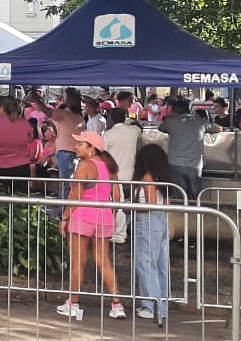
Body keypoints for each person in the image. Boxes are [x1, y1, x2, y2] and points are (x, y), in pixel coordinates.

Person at [57, 130, 125, 321]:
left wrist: (65, 218)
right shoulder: (109, 167)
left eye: (80, 144)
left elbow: (76, 195)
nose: (76, 146)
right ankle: (117, 304)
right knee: (104, 262)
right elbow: (117, 197)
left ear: (92, 148)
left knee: (78, 262)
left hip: (83, 216)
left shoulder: (85, 165)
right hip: (104, 216)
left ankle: (73, 303)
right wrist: (109, 215)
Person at [132, 143, 172, 324]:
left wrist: (130, 206)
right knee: (160, 264)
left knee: (146, 263)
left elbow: (149, 204)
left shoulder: (147, 178)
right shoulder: (162, 178)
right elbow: (166, 204)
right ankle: (162, 304)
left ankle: (150, 305)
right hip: (162, 220)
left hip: (148, 221)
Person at [159, 98, 217, 202]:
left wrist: (170, 118)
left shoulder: (170, 122)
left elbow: (160, 128)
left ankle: (181, 217)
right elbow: (217, 129)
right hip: (195, 165)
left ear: (175, 111)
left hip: (175, 164)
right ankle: (195, 217)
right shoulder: (201, 122)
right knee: (195, 198)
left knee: (179, 197)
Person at [0, 96, 34, 194]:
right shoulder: (24, 123)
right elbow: (30, 138)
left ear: (2, 108)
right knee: (20, 199)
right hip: (21, 166)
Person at [103, 107, 141, 186]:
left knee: (116, 198)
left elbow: (104, 156)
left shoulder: (108, 134)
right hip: (131, 175)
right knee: (129, 197)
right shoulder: (135, 130)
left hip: (114, 177)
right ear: (124, 118)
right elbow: (139, 127)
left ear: (111, 119)